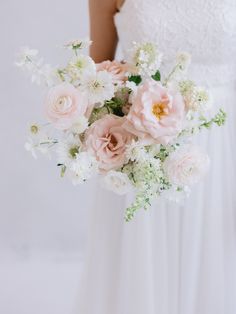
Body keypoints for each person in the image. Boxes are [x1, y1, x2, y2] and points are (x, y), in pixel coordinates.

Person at [73, 1, 236, 313]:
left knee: (214, 259)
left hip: (222, 145)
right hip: (141, 148)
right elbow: (97, 76)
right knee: (142, 267)